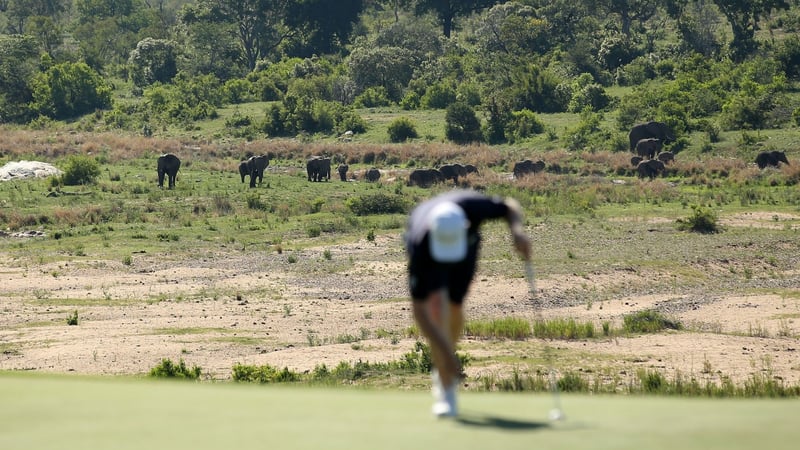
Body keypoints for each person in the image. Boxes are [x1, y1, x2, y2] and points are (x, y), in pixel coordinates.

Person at [404, 189, 531, 417]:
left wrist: (517, 232)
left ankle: (445, 365)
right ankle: (445, 385)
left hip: (466, 249)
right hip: (431, 252)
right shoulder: (419, 243)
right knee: (434, 308)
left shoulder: (474, 207)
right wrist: (447, 354)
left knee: (454, 306)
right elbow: (419, 312)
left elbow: (509, 206)